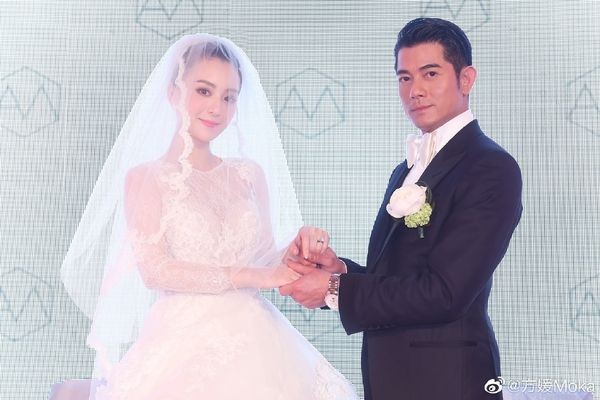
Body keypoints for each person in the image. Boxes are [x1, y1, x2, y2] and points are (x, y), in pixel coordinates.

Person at [57, 34, 357, 399]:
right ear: (173, 93)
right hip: (182, 342)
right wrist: (254, 275)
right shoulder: (146, 178)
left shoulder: (248, 174)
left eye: (228, 97)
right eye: (204, 91)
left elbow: (265, 256)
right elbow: (155, 270)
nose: (217, 108)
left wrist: (297, 248)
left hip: (257, 338)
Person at [280, 18, 522, 400]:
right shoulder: (406, 169)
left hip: (446, 383)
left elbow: (445, 293)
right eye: (404, 78)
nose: (415, 90)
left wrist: (334, 289)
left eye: (430, 73)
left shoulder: (490, 167)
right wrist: (339, 271)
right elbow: (396, 277)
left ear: (466, 79)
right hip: (391, 379)